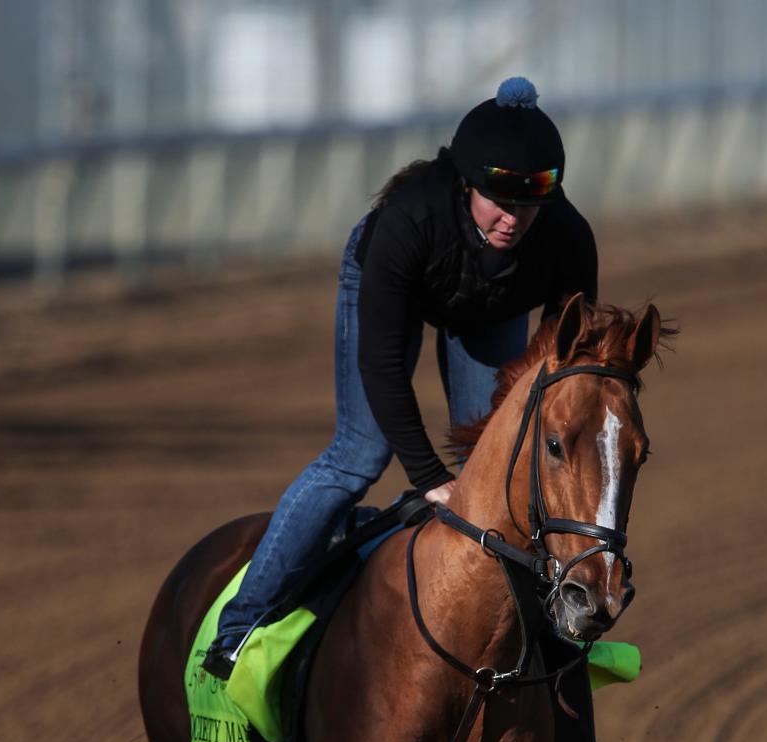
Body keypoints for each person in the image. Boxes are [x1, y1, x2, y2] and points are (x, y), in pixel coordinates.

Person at [203, 76, 598, 680]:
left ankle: (527, 635)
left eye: (530, 203)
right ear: (466, 184)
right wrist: (429, 478)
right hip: (394, 281)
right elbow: (383, 368)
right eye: (499, 198)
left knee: (496, 466)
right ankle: (239, 625)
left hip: (488, 307)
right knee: (359, 455)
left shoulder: (568, 238)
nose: (514, 219)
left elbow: (567, 360)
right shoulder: (408, 221)